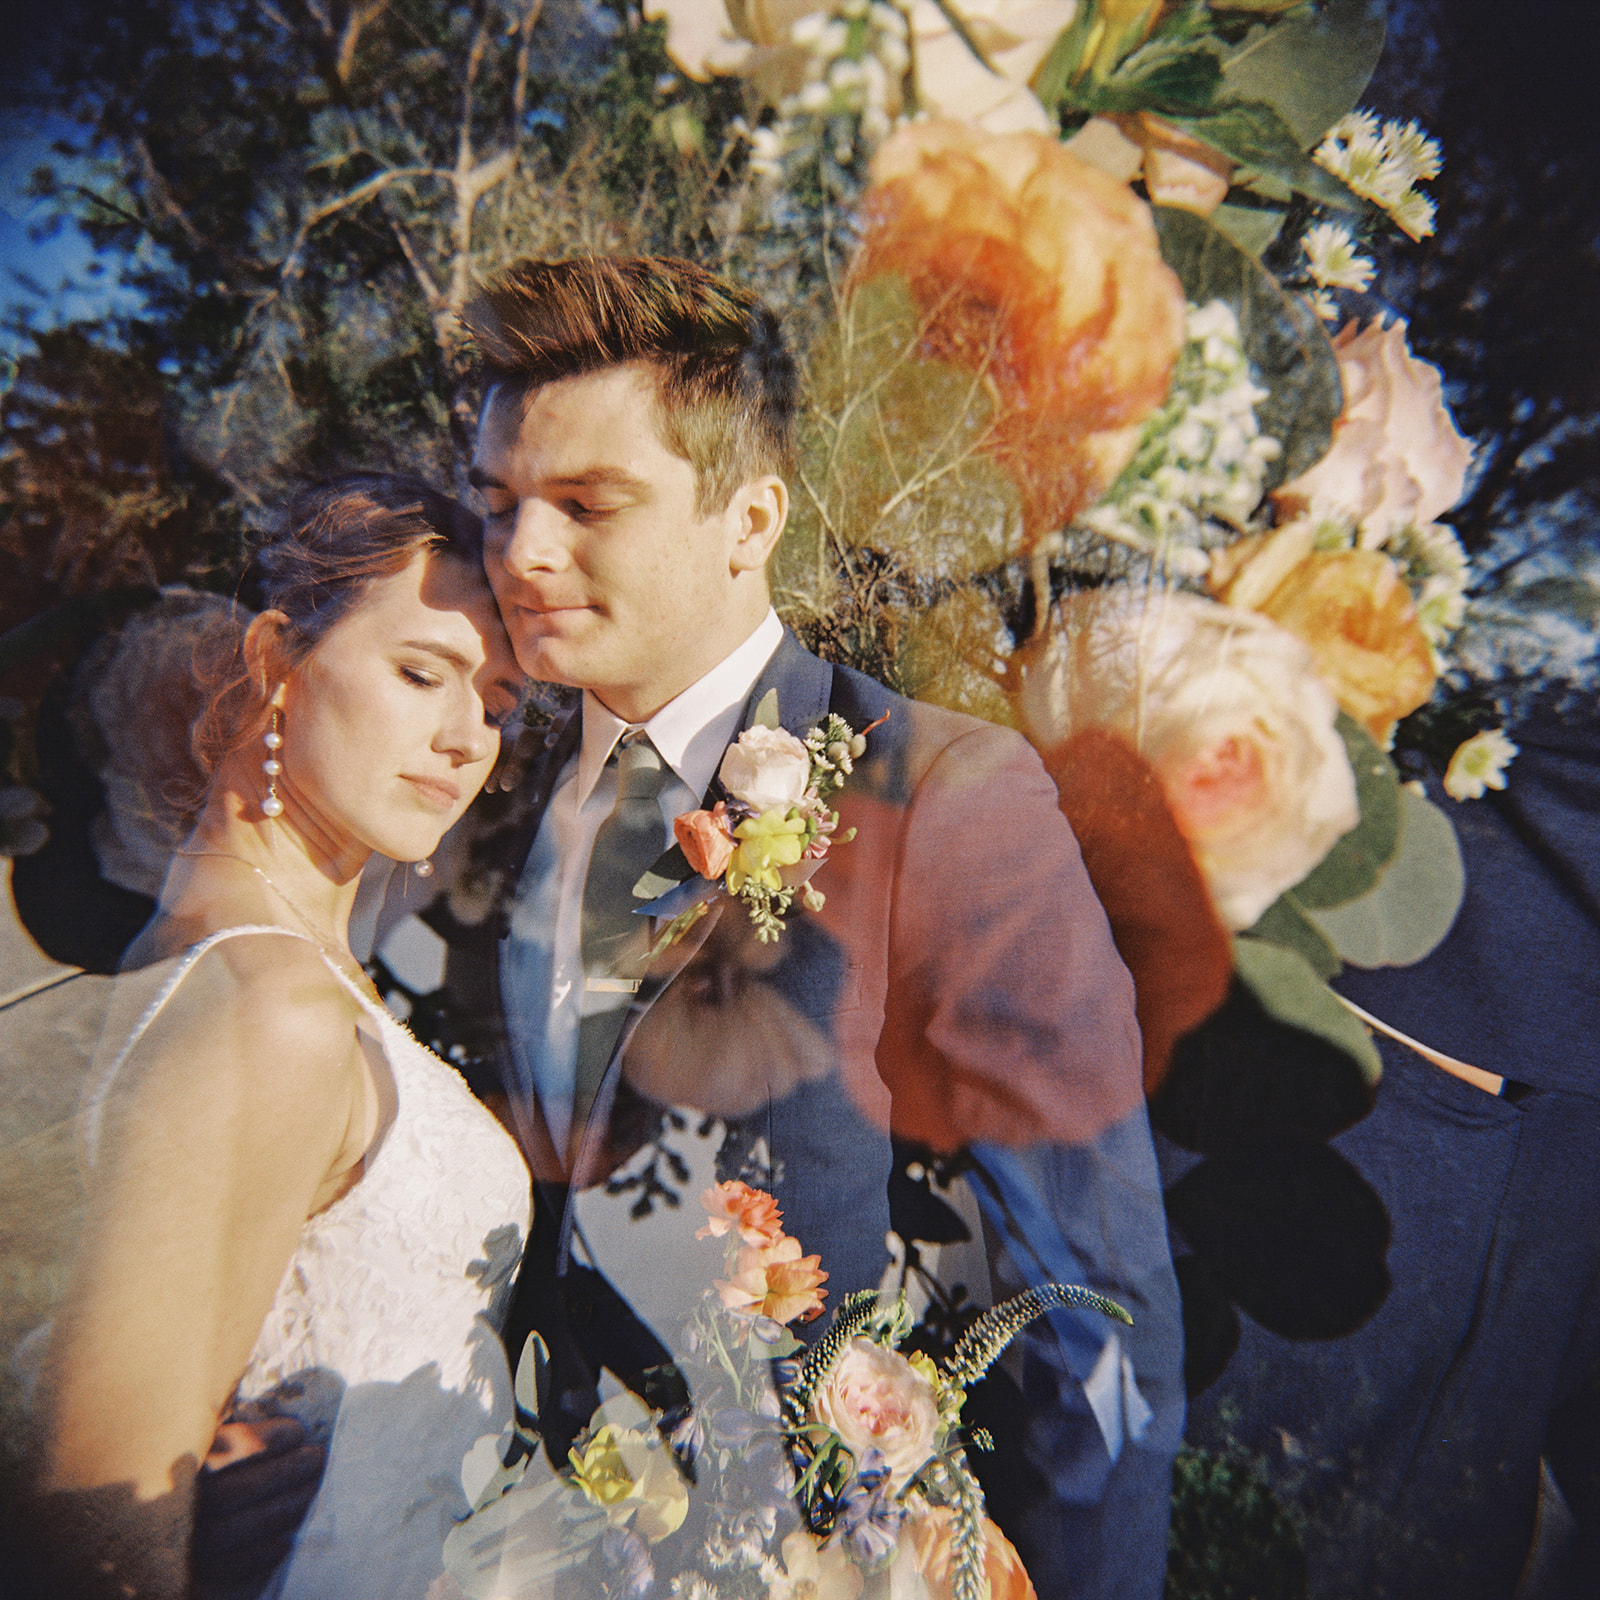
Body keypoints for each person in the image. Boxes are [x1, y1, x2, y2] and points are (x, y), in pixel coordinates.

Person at [434, 255, 1183, 1598]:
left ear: (751, 516)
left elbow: (1099, 1302)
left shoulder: (945, 794)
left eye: (585, 503)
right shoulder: (478, 778)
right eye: (500, 504)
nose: (520, 550)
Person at [18, 476, 532, 1599]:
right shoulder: (270, 1008)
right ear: (272, 662)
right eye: (419, 673)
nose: (464, 740)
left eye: (495, 703)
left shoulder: (265, 974)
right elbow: (95, 1531)